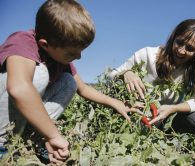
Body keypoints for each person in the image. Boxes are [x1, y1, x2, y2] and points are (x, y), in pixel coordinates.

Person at [0, 0, 137, 163]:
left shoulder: (59, 58)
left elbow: (83, 89)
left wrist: (117, 103)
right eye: (72, 53)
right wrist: (54, 134)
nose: (79, 57)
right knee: (39, 75)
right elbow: (19, 88)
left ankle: (36, 139)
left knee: (69, 82)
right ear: (45, 44)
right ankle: (2, 143)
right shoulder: (23, 41)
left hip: (21, 116)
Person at [108, 19, 195, 133]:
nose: (181, 51)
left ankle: (170, 137)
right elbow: (110, 77)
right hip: (135, 114)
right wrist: (125, 73)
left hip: (167, 121)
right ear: (173, 38)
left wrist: (173, 108)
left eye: (190, 49)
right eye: (179, 42)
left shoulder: (194, 69)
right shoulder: (147, 55)